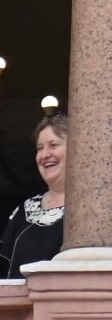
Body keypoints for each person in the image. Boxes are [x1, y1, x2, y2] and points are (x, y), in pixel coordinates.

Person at [1, 113, 67, 276]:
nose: (44, 155)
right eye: (40, 148)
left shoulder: (92, 209)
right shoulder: (24, 210)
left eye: (53, 145)